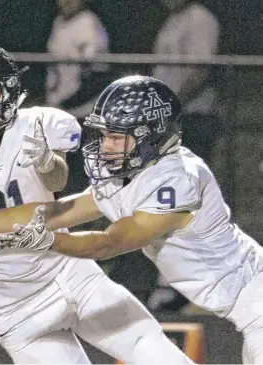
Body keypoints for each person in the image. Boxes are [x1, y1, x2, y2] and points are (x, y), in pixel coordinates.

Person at [0, 40, 192, 364]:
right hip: (10, 304)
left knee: (155, 351)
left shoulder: (38, 123)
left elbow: (56, 181)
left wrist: (45, 161)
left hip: (67, 271)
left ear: (8, 93)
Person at [0, 75, 263, 364]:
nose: (106, 147)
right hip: (246, 307)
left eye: (118, 137)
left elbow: (111, 242)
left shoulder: (177, 178)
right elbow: (64, 210)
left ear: (152, 136)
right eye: (105, 135)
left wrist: (51, 241)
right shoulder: (135, 169)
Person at [150, 0, 221, 311]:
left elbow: (200, 70)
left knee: (187, 203)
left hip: (192, 120)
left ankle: (191, 287)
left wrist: (171, 107)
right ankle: (172, 282)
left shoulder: (200, 19)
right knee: (165, 201)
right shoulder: (171, 22)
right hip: (168, 121)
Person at [46, 0, 111, 120]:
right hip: (58, 102)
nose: (67, 2)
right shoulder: (58, 22)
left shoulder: (88, 22)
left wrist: (66, 103)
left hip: (81, 109)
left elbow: (95, 72)